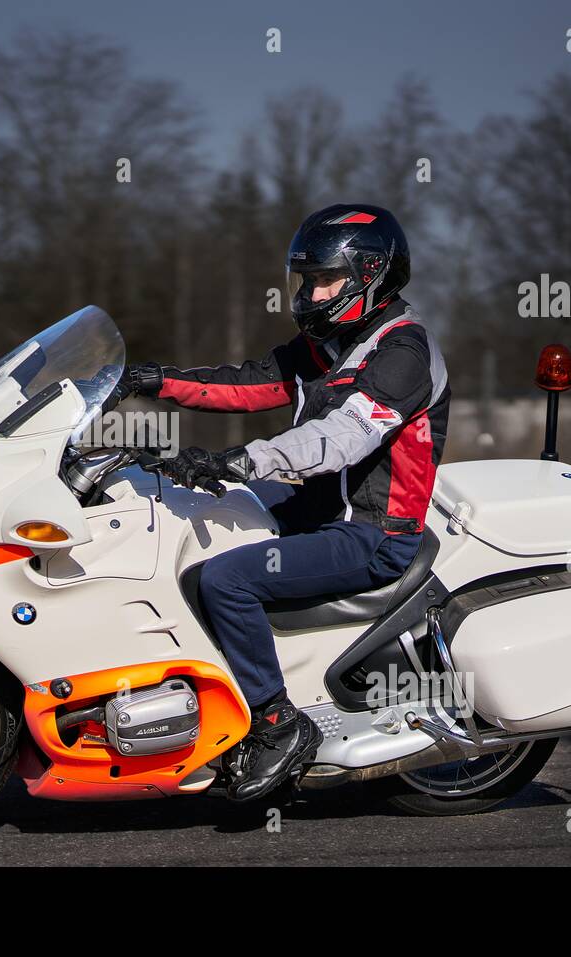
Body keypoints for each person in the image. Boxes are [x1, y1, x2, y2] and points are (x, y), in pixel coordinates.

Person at [116, 204, 450, 801]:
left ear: (370, 274)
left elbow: (341, 437)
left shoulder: (403, 355)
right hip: (318, 510)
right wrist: (151, 381)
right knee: (181, 517)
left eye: (324, 279)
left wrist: (242, 461)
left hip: (373, 532)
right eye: (306, 280)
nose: (310, 292)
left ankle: (276, 724)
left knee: (227, 581)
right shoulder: (330, 344)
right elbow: (250, 382)